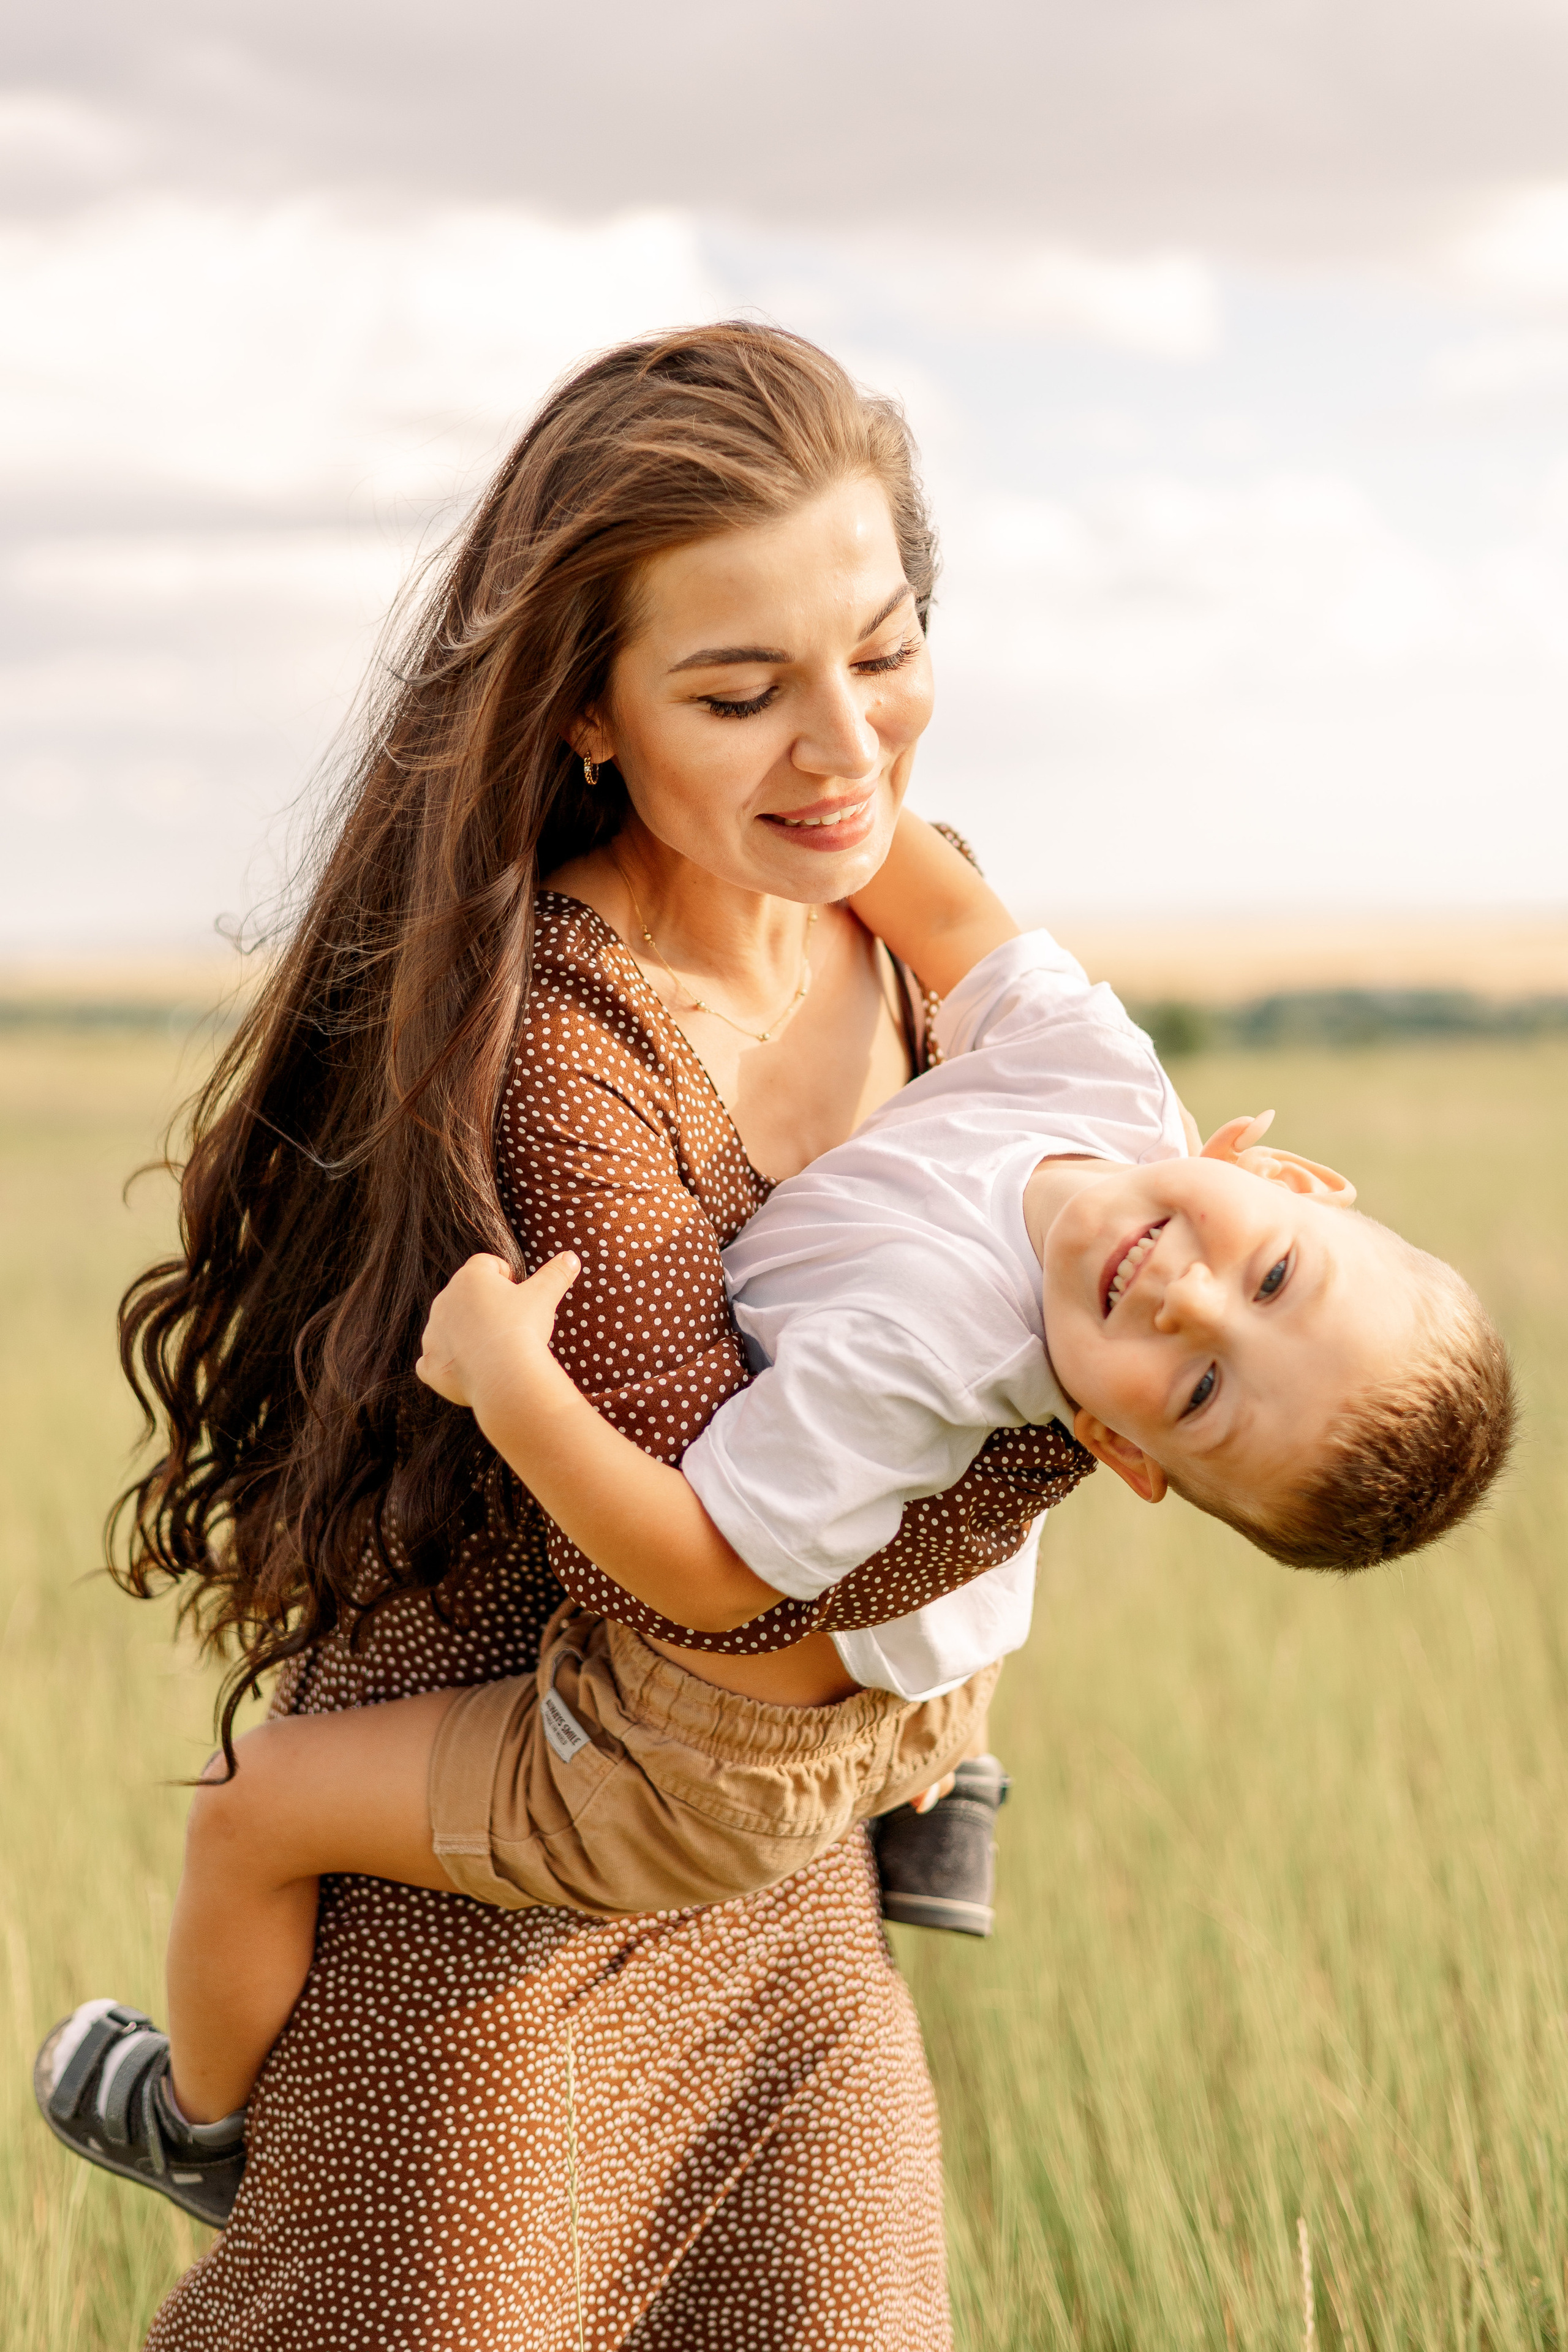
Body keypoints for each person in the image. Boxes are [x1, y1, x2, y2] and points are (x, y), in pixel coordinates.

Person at [35, 322, 1060, 2351]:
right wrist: (1076, 1440)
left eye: (884, 646)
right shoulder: (570, 1049)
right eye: (740, 692)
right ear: (592, 718)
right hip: (502, 1885)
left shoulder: (921, 924)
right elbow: (685, 1559)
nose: (845, 746)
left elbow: (1079, 1186)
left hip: (780, 1879)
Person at [37, 817, 1515, 2218]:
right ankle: (948, 1774)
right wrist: (833, 781)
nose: (1185, 1297)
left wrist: (512, 1388)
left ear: (1120, 1454)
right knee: (939, 1553)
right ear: (1289, 1176)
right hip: (925, 1658)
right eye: (1271, 1281)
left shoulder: (919, 1362)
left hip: (686, 1764)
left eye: (1195, 1395)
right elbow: (940, 902)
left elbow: (704, 1569)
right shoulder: (1102, 1077)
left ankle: (201, 2126)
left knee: (255, 1801)